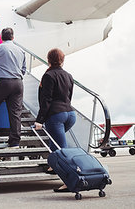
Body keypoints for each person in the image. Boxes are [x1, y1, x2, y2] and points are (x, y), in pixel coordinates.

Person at [34, 48, 76, 192]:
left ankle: (70, 182)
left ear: (48, 60)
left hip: (56, 116)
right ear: (63, 60)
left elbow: (46, 100)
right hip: (70, 114)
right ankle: (53, 165)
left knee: (61, 150)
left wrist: (40, 120)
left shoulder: (49, 76)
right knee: (56, 142)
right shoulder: (69, 76)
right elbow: (69, 97)